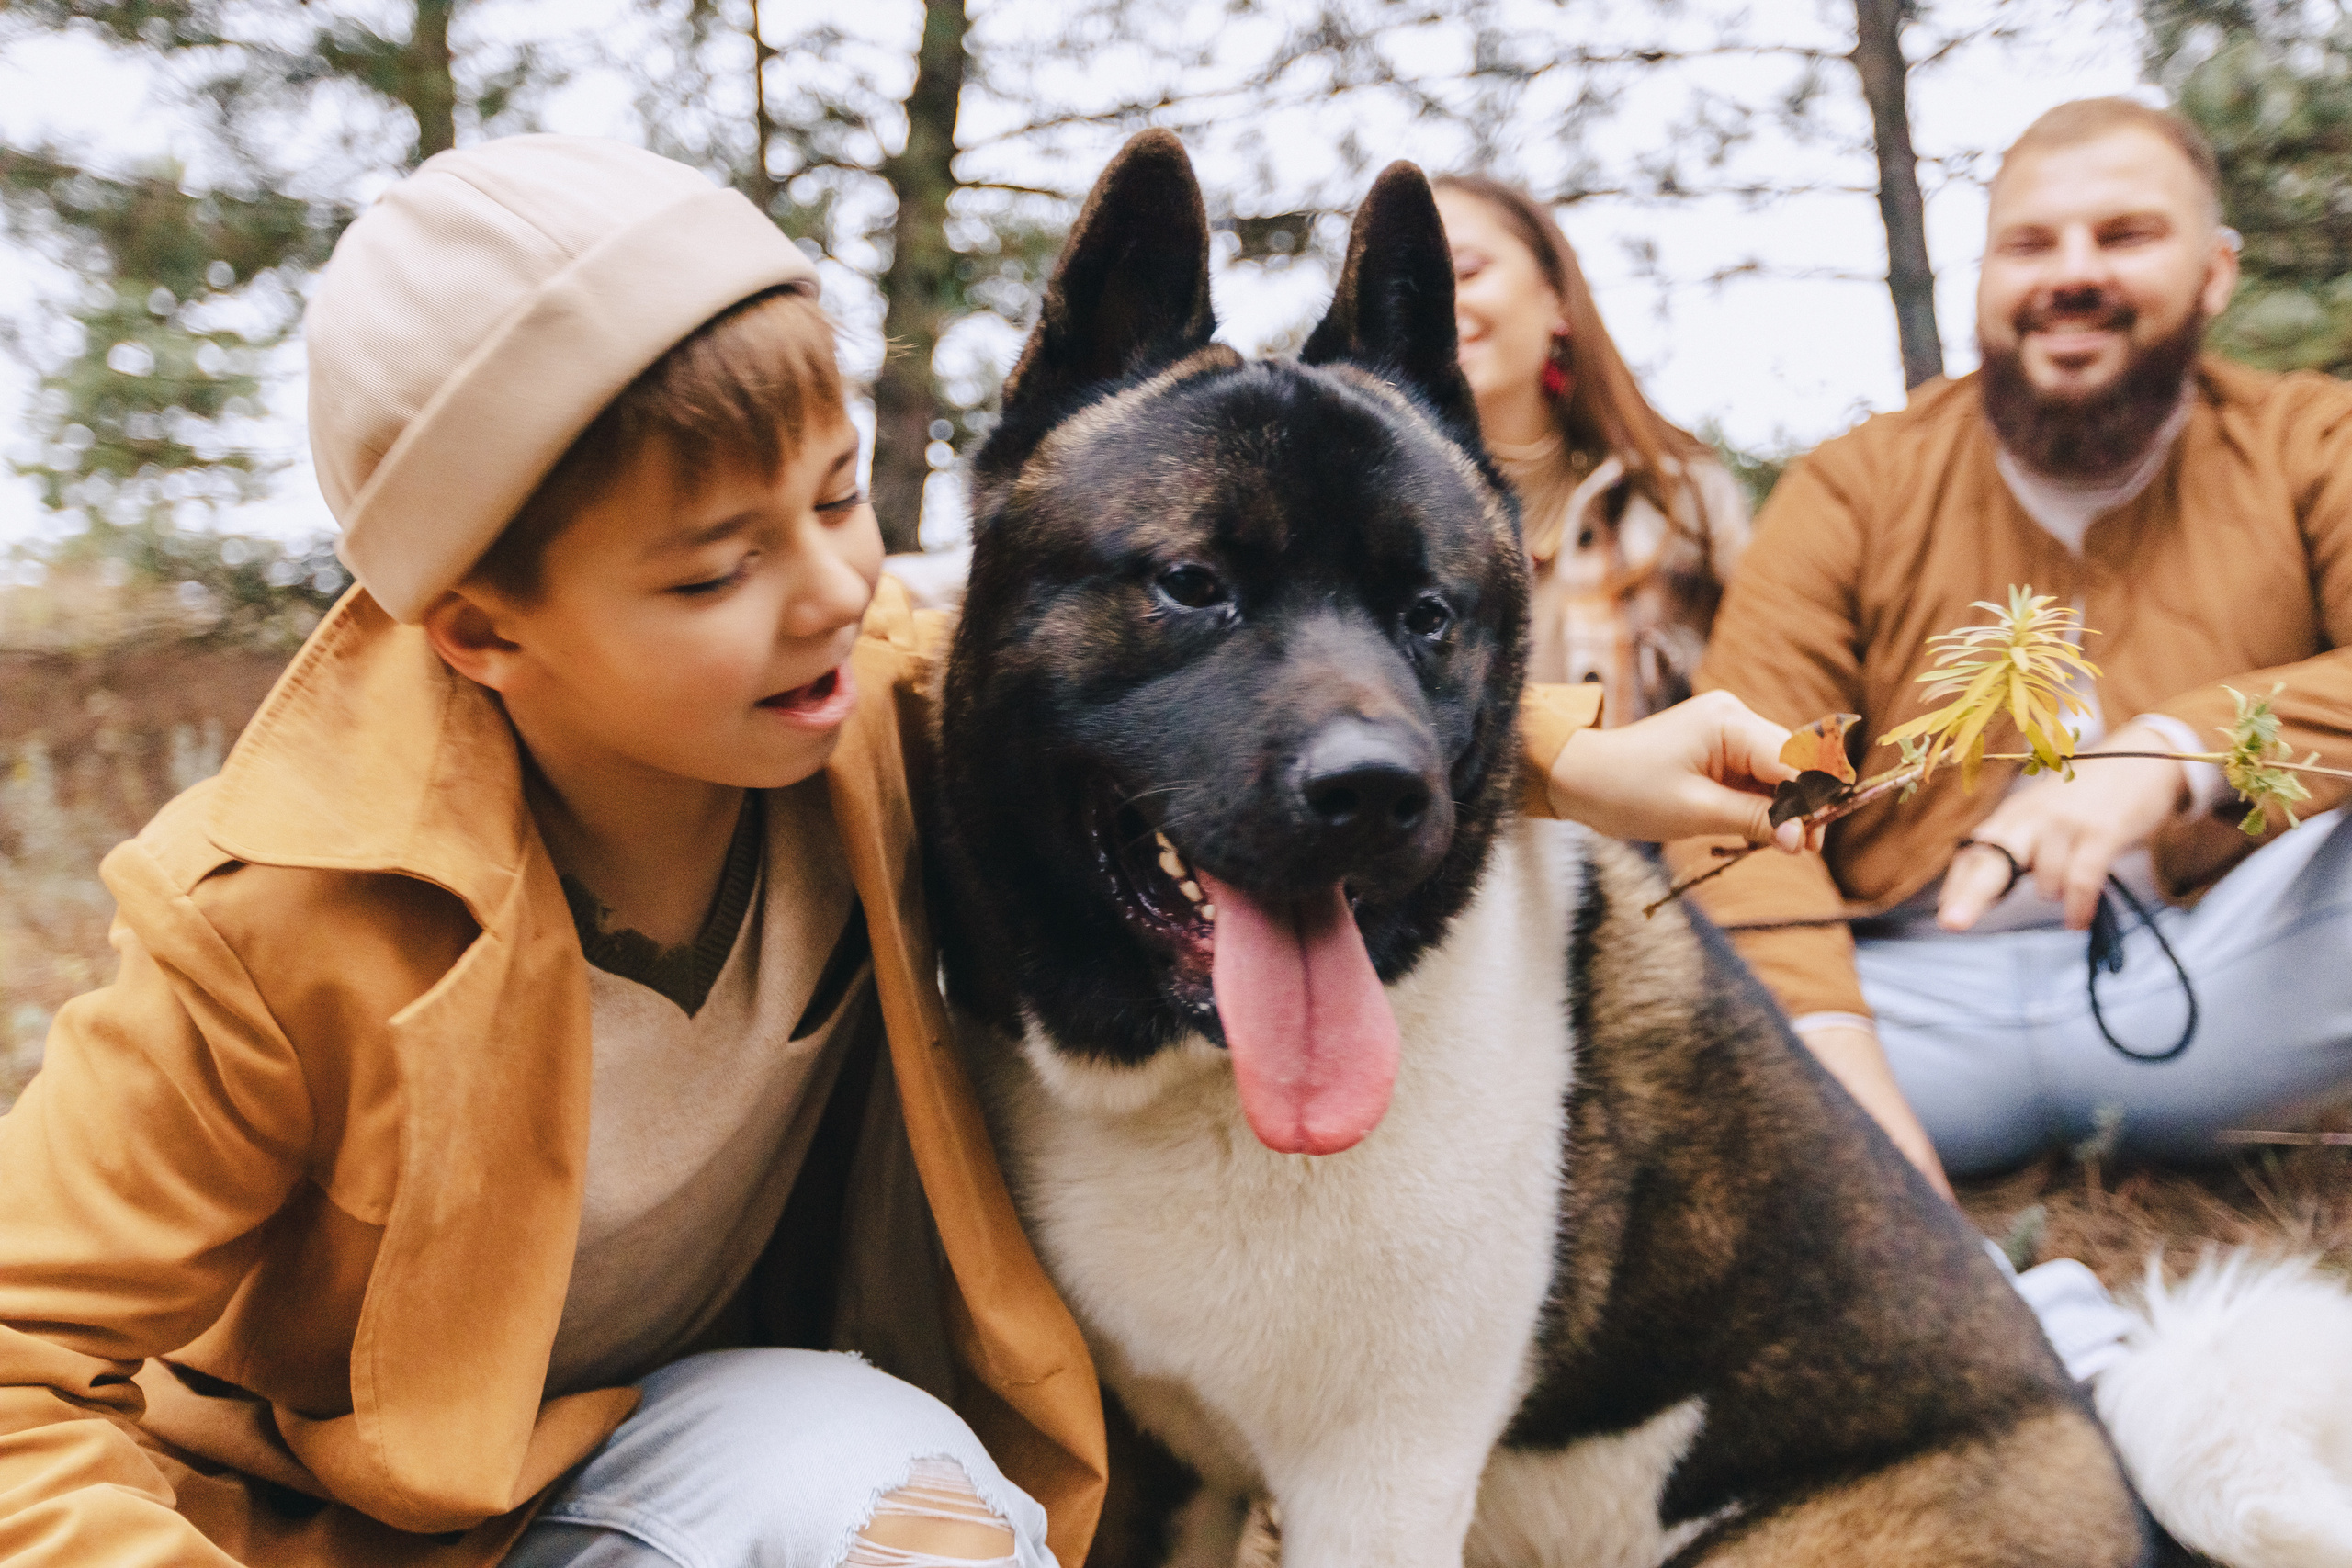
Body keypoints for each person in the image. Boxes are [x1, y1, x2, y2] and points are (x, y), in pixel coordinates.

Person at [0, 135, 1821, 1568]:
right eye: (714, 568)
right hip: (320, 1536)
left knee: (913, 1508)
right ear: (475, 629)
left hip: (685, 1460)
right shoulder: (261, 928)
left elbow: (1200, 677)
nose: (830, 593)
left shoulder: (846, 715)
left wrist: (1574, 745)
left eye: (835, 495)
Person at [1668, 97, 2352, 1200]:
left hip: (2226, 985)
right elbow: (1743, 801)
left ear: (2216, 272)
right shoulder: (1856, 485)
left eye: (2124, 236)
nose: (2070, 275)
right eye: (2030, 244)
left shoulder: (2310, 442)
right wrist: (1844, 1103)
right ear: (1984, 277)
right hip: (1902, 1017)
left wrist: (2174, 754)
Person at [1432, 175, 1753, 724]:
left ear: (1555, 295)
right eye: (1407, 285)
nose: (1438, 301)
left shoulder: (1686, 504)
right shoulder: (1371, 528)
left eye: (1465, 270)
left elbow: (1771, 696)